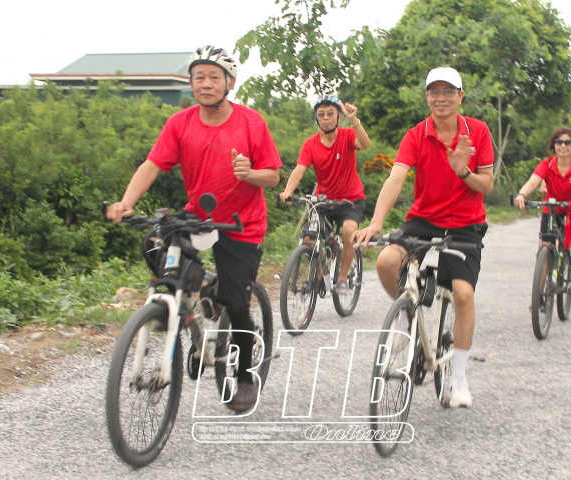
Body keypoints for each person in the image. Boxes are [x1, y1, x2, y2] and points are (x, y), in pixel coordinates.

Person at [106, 45, 282, 412]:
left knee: (235, 302)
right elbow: (153, 164)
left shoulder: (251, 122)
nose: (205, 83)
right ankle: (190, 297)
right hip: (198, 216)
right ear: (190, 82)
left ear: (229, 83)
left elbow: (274, 176)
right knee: (154, 242)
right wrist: (126, 202)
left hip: (241, 224)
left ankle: (246, 374)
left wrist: (249, 174)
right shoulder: (180, 123)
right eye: (199, 76)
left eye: (214, 77)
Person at [354, 67, 494, 408]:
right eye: (434, 91)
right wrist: (376, 222)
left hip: (465, 225)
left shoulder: (478, 131)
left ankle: (458, 380)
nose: (441, 98)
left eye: (449, 91)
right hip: (424, 219)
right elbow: (396, 178)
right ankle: (407, 314)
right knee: (386, 261)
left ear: (461, 96)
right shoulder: (417, 134)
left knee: (462, 295)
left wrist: (463, 170)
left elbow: (487, 185)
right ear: (427, 96)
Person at [279, 95, 371, 294]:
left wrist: (354, 121)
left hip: (351, 200)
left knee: (348, 233)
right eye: (321, 114)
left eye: (330, 113)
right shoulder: (310, 144)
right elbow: (299, 169)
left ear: (338, 116)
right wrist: (288, 191)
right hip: (323, 201)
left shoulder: (347, 135)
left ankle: (343, 278)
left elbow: (365, 144)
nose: (326, 117)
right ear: (316, 118)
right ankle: (321, 274)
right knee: (308, 240)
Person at [514, 127, 571, 271]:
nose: (563, 146)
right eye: (559, 142)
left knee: (570, 221)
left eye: (568, 142)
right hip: (551, 208)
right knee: (544, 250)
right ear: (554, 145)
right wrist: (521, 195)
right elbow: (533, 182)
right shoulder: (546, 164)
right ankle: (543, 289)